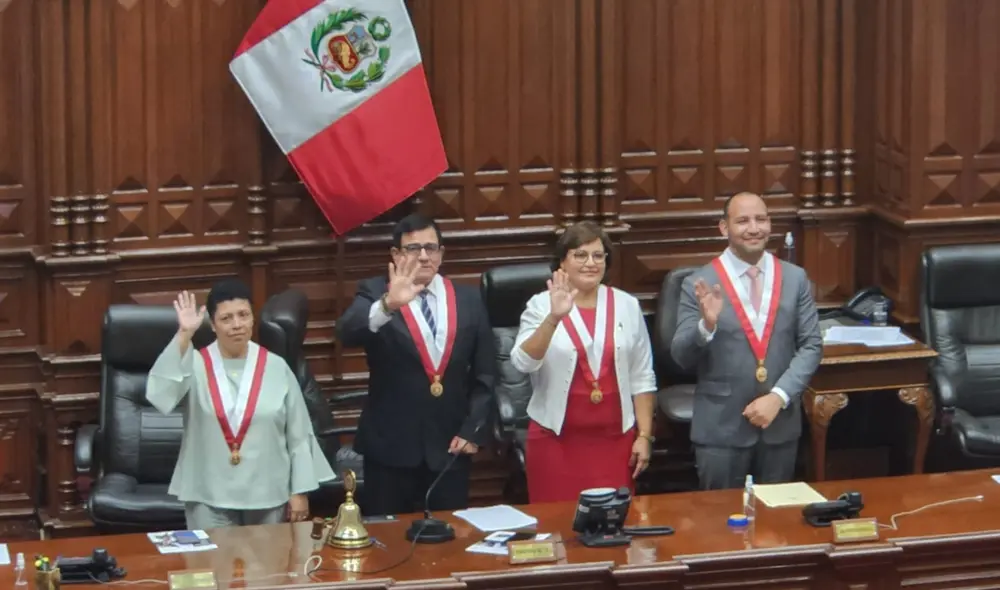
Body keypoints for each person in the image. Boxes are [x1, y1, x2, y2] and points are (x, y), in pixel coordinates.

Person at [336, 214, 495, 516]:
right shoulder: (374, 292)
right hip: (390, 449)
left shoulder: (469, 299)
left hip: (450, 448)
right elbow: (347, 332)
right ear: (396, 255)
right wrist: (388, 305)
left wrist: (473, 430)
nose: (423, 256)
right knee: (388, 546)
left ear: (441, 253)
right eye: (413, 248)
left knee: (447, 546)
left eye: (431, 248)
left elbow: (485, 373)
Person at [147, 280, 336, 529]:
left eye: (243, 315)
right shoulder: (194, 364)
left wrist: (300, 491)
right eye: (226, 318)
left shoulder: (276, 366)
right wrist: (184, 335)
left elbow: (298, 434)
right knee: (211, 566)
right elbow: (160, 396)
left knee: (268, 567)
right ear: (213, 325)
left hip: (268, 494)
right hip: (208, 495)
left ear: (253, 318)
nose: (237, 325)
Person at [671, 192, 822, 490]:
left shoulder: (794, 278)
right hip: (721, 429)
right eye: (743, 221)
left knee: (775, 528)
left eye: (761, 219)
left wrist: (778, 396)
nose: (754, 228)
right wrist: (707, 325)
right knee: (719, 526)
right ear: (724, 228)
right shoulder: (699, 283)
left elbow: (811, 346)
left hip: (779, 425)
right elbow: (680, 356)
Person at [511, 221, 657, 503]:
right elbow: (523, 363)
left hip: (616, 441)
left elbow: (642, 376)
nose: (591, 263)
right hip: (556, 441)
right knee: (556, 528)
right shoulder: (541, 305)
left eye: (598, 255)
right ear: (562, 262)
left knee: (611, 527)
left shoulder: (627, 304)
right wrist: (554, 318)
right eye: (580, 255)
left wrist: (645, 436)